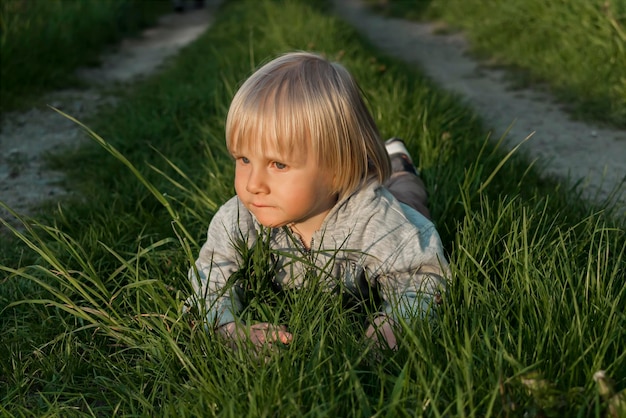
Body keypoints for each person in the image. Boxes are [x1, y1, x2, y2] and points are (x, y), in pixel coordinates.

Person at [187, 51, 450, 351]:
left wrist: (398, 321)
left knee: (406, 192)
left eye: (278, 164)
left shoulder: (379, 220)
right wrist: (227, 327)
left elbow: (423, 278)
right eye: (244, 159)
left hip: (394, 204)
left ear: (337, 170)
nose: (253, 184)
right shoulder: (239, 218)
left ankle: (399, 162)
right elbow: (210, 278)